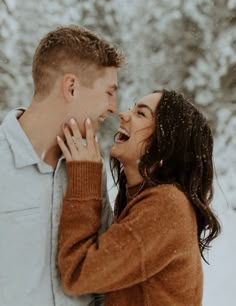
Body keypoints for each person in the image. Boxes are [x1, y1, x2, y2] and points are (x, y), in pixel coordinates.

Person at [57, 89, 221, 306]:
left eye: (140, 114)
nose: (123, 114)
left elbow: (79, 273)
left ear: (165, 142)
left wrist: (84, 178)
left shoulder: (165, 206)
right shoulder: (148, 198)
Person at [0, 25, 124, 306]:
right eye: (109, 91)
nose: (114, 106)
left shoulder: (89, 165)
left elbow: (102, 279)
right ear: (71, 87)